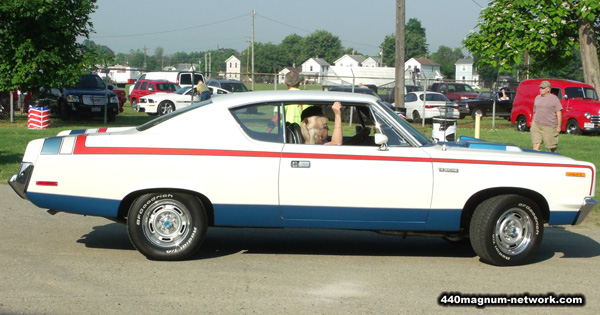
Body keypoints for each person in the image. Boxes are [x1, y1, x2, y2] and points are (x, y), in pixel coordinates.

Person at [531, 81, 562, 152]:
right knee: (536, 144)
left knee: (552, 146)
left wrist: (559, 125)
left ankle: (556, 159)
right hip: (536, 125)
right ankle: (535, 161)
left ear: (548, 89)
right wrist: (532, 123)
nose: (541, 89)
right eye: (540, 88)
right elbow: (535, 112)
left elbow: (559, 112)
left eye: (543, 88)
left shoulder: (554, 99)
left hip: (549, 126)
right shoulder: (537, 98)